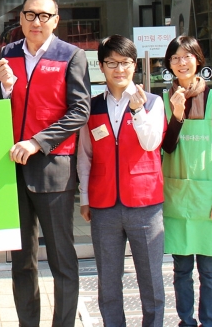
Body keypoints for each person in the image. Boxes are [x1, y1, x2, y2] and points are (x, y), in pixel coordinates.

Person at [0, 0, 90, 327]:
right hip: (12, 172)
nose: (37, 22)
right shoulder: (8, 54)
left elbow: (80, 110)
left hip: (53, 169)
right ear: (20, 20)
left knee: (62, 259)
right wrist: (3, 87)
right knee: (22, 261)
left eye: (44, 16)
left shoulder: (72, 55)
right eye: (30, 15)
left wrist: (37, 141)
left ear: (56, 20)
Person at [78, 34, 166, 327]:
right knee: (108, 281)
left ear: (135, 65)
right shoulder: (91, 107)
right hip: (104, 204)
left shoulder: (152, 102)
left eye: (125, 63)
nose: (119, 70)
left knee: (151, 279)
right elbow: (85, 156)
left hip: (144, 202)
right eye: (111, 63)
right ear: (100, 67)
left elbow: (152, 142)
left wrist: (138, 111)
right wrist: (87, 199)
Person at [160, 36, 212, 327]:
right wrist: (176, 117)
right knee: (181, 267)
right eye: (175, 58)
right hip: (176, 193)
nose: (181, 62)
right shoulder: (162, 100)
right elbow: (165, 147)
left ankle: (209, 321)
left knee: (209, 268)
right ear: (169, 65)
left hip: (207, 194)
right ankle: (186, 321)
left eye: (187, 56)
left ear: (198, 60)